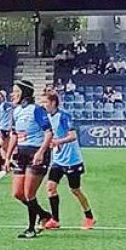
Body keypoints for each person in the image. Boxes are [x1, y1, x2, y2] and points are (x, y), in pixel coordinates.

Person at [40, 91, 95, 231]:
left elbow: (73, 136)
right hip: (58, 160)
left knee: (75, 190)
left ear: (53, 103)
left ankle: (89, 216)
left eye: (45, 102)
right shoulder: (45, 118)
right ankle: (55, 220)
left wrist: (58, 141)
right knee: (50, 188)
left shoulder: (64, 116)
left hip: (72, 160)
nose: (43, 105)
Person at [7, 80, 54, 239]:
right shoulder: (16, 111)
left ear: (24, 93)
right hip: (21, 153)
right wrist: (7, 157)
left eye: (15, 91)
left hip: (36, 153)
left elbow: (48, 133)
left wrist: (41, 152)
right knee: (17, 193)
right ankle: (43, 214)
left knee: (28, 193)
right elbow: (14, 134)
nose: (12, 94)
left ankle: (31, 228)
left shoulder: (37, 110)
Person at [0, 90, 14, 172]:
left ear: (2, 97)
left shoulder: (5, 105)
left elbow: (11, 114)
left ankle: (5, 163)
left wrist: (11, 126)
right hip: (0, 128)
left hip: (6, 128)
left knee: (4, 147)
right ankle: (5, 163)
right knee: (2, 146)